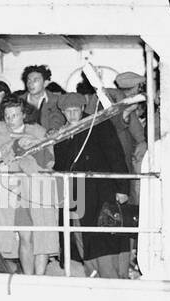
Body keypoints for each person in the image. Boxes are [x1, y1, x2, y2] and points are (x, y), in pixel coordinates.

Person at [53, 94, 131, 278]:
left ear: (82, 109)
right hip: (74, 191)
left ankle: (113, 276)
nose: (72, 114)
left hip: (100, 190)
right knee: (80, 234)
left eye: (75, 110)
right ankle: (91, 272)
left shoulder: (98, 125)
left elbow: (116, 155)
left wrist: (122, 188)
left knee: (106, 234)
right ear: (63, 112)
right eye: (68, 111)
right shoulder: (61, 134)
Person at [0, 96, 58, 275]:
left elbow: (49, 162)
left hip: (39, 189)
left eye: (14, 115)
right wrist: (15, 144)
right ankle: (28, 279)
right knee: (25, 236)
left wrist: (36, 146)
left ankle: (40, 277)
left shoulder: (37, 131)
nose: (10, 120)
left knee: (43, 235)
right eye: (7, 116)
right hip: (16, 192)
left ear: (24, 114)